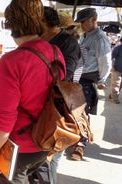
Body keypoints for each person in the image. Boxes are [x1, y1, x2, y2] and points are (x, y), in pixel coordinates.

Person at [0, 0, 66, 184]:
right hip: (48, 137)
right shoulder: (56, 52)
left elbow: (5, 117)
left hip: (21, 149)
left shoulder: (11, 61)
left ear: (11, 24)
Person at [40, 7, 81, 184]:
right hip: (45, 107)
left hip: (58, 109)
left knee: (50, 158)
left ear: (44, 24)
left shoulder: (67, 43)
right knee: (42, 158)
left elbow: (66, 74)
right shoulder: (46, 39)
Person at [70, 7, 111, 161]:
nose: (81, 25)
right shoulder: (85, 36)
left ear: (94, 19)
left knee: (82, 112)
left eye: (83, 22)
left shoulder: (100, 38)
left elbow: (105, 61)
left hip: (88, 80)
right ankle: (75, 138)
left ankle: (81, 144)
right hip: (78, 77)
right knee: (73, 111)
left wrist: (102, 80)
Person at [41, 6, 81, 82]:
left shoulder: (68, 42)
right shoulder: (44, 40)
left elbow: (67, 73)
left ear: (44, 22)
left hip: (55, 91)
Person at [109, 37, 122, 104]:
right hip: (117, 69)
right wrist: (112, 66)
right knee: (116, 84)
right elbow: (110, 57)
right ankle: (115, 99)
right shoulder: (118, 48)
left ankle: (112, 95)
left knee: (119, 85)